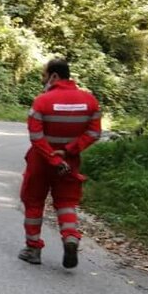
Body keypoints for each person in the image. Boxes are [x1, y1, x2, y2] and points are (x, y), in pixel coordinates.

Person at [18, 58, 102, 269]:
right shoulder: (90, 101)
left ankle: (33, 248)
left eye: (43, 75)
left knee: (34, 202)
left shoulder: (42, 101)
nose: (42, 79)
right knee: (66, 202)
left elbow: (36, 136)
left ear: (54, 76)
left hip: (41, 161)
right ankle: (71, 237)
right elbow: (94, 133)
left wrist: (52, 156)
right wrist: (67, 151)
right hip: (69, 162)